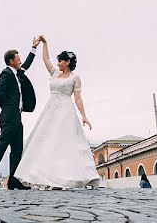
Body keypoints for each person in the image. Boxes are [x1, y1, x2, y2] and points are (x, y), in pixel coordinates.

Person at [14, 36, 101, 189]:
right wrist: (44, 44)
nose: (57, 63)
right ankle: (48, 177)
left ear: (67, 62)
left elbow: (78, 98)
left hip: (66, 111)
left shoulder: (75, 78)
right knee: (47, 142)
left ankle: (67, 176)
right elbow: (45, 59)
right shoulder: (54, 74)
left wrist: (84, 116)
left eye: (60, 61)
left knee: (64, 143)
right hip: (50, 110)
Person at [0, 36, 42, 190]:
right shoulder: (6, 73)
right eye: (18, 59)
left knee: (17, 150)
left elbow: (27, 63)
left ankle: (13, 179)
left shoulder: (18, 73)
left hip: (17, 117)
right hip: (9, 116)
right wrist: (8, 108)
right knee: (2, 146)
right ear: (11, 61)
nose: (20, 62)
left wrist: (33, 47)